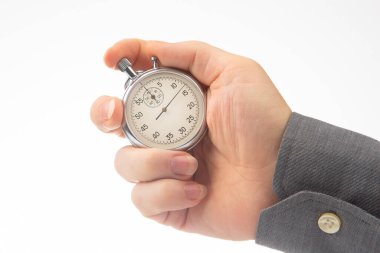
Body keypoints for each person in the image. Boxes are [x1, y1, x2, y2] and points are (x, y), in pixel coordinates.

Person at [90, 39, 380, 253]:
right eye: (144, 114)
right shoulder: (135, 110)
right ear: (135, 122)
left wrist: (278, 160)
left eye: (170, 100)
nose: (162, 109)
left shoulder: (185, 88)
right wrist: (274, 167)